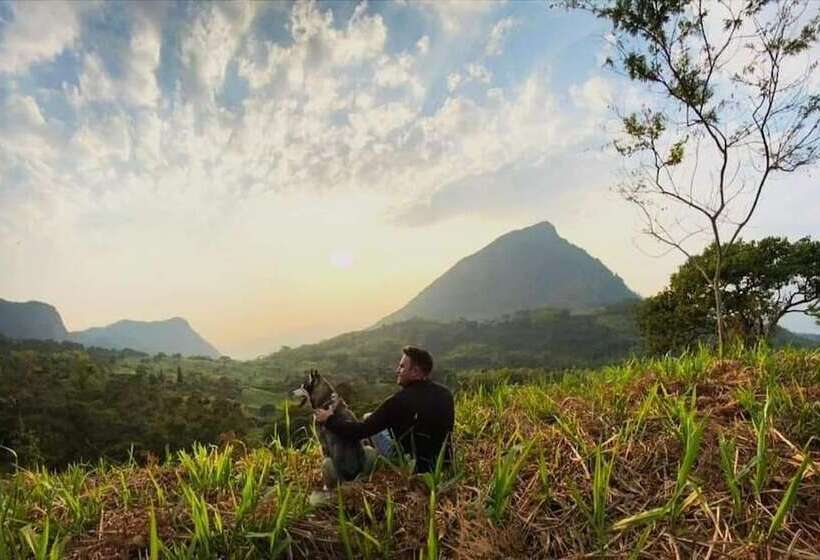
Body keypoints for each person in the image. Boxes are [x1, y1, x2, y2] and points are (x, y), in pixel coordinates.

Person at [314, 346, 454, 474]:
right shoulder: (446, 394)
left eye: (402, 367)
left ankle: (374, 458)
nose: (397, 370)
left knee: (368, 417)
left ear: (415, 371)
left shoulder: (398, 401)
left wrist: (330, 419)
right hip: (444, 464)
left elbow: (360, 431)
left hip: (412, 466)